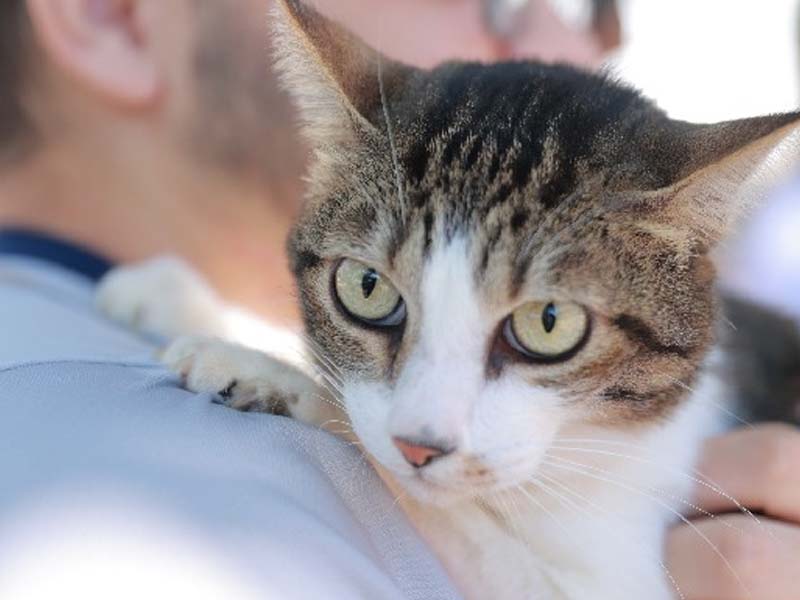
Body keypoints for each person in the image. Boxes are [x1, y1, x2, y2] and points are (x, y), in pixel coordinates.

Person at [0, 0, 797, 598]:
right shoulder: (98, 506)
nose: (563, 46)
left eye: (544, 325)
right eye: (499, 0)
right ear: (110, 14)